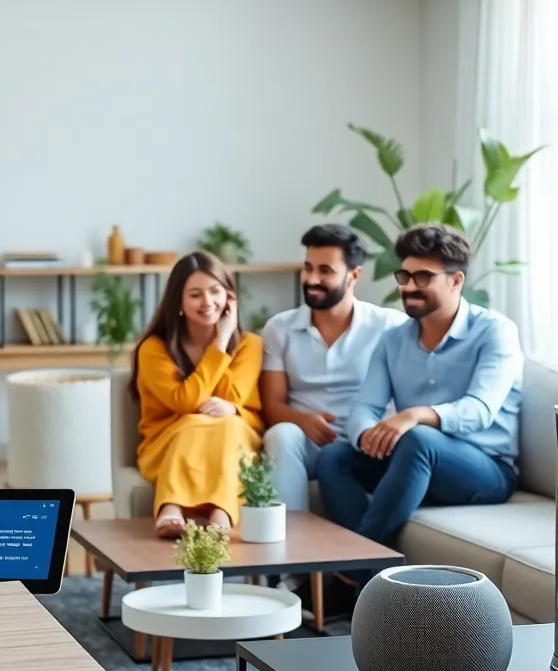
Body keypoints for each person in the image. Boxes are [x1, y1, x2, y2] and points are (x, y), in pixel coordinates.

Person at [316, 224, 522, 600]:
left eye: (422, 276)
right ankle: (372, 576)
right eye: (404, 275)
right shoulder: (393, 338)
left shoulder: (495, 332)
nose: (408, 286)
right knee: (334, 458)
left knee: (418, 438)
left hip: (486, 470)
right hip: (415, 463)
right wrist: (366, 436)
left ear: (456, 280)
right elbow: (365, 406)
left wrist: (414, 415)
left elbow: (480, 410)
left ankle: (354, 572)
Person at [259, 224, 408, 512]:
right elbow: (272, 405)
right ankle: (290, 538)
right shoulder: (280, 328)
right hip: (306, 445)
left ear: (354, 275)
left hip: (365, 447)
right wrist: (303, 420)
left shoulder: (389, 325)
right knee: (281, 434)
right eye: (307, 268)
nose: (312, 279)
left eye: (325, 270)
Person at [131, 251, 265, 539]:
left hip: (236, 437)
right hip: (168, 444)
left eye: (215, 291)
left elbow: (233, 396)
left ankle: (218, 509)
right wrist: (219, 343)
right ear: (178, 302)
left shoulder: (250, 345)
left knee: (227, 424)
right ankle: (175, 505)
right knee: (195, 421)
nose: (207, 302)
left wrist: (228, 339)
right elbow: (185, 402)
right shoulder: (154, 348)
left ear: (229, 297)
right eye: (195, 294)